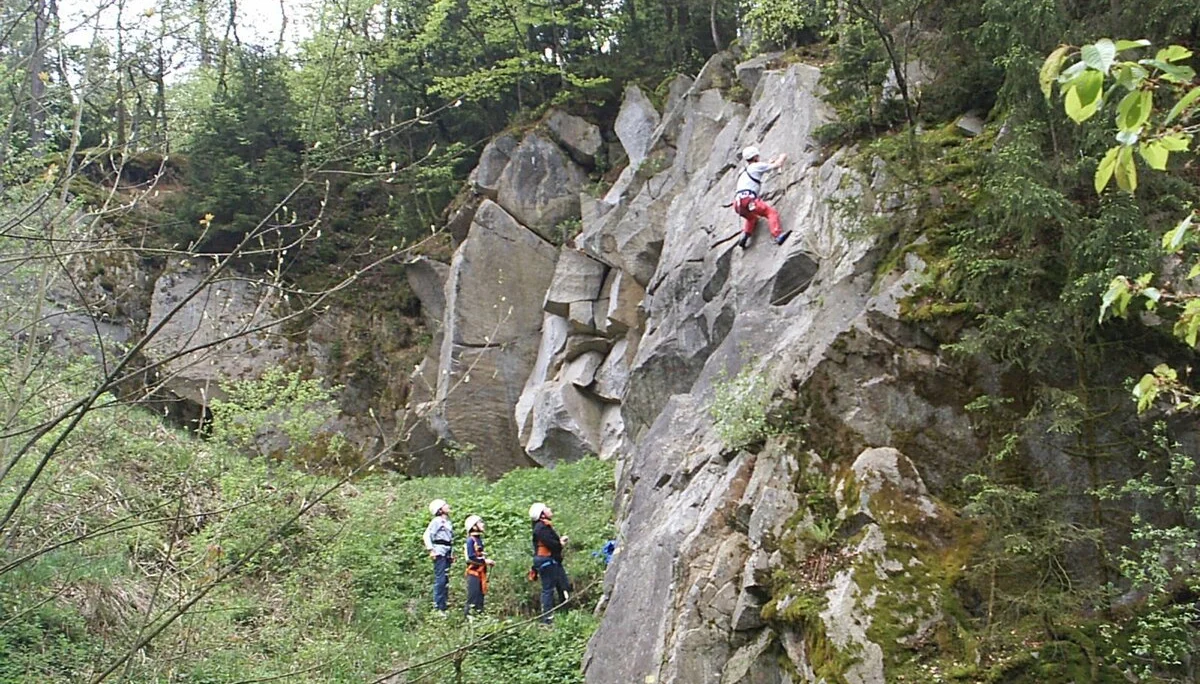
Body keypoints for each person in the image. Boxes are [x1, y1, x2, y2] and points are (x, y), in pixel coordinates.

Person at [733, 145, 790, 249]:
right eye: (757, 156)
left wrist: (770, 163)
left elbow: (765, 168)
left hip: (738, 204)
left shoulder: (743, 170)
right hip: (749, 200)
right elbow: (778, 165)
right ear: (755, 157)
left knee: (752, 218)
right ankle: (777, 236)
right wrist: (782, 157)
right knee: (771, 212)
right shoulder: (756, 166)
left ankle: (745, 236)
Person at [529, 502, 571, 624]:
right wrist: (560, 544)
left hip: (550, 560)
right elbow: (551, 544)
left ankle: (564, 613)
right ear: (541, 514)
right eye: (546, 508)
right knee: (548, 589)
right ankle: (547, 618)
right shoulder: (541, 528)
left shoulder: (543, 527)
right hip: (547, 561)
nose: (549, 509)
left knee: (562, 585)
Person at [422, 498, 454, 614]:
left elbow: (450, 540)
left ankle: (444, 606)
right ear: (440, 510)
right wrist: (431, 550)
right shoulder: (436, 521)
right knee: (440, 579)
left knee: (445, 579)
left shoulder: (448, 522)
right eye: (445, 505)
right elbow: (427, 535)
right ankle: (438, 607)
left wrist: (451, 554)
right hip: (439, 552)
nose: (448, 506)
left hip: (446, 552)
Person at [462, 515, 495, 616]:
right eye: (480, 522)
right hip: (474, 573)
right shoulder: (470, 540)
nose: (483, 524)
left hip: (480, 573)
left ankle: (480, 617)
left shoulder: (478, 540)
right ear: (474, 526)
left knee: (480, 597)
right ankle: (469, 619)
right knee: (473, 596)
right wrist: (485, 561)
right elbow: (470, 558)